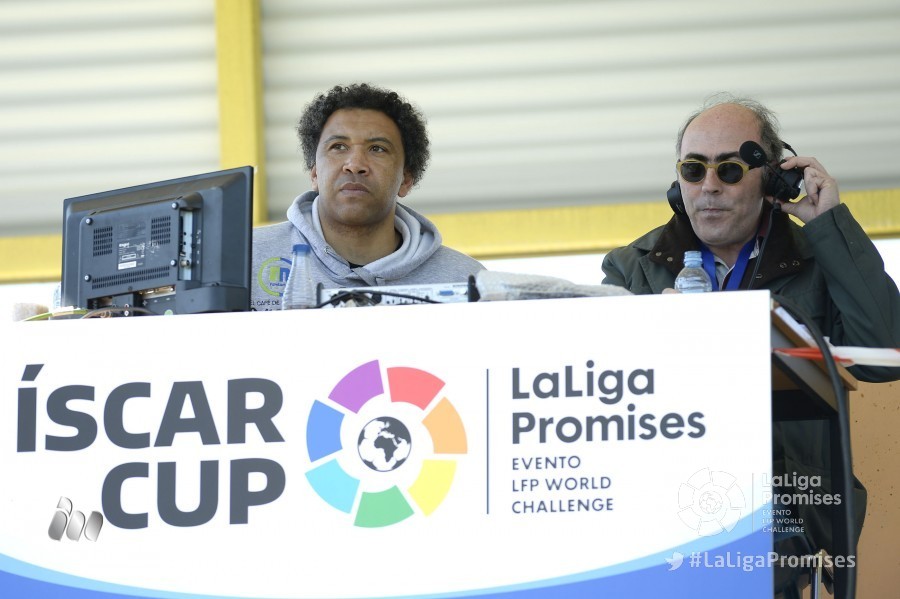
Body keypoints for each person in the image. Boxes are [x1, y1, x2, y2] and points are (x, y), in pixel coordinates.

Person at [601, 93, 900, 596]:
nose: (709, 186)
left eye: (730, 169)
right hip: (662, 510)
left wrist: (828, 225)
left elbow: (886, 354)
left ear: (773, 178)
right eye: (693, 169)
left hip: (783, 513)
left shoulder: (820, 258)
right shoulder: (631, 267)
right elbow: (601, 390)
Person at [252, 83, 483, 310]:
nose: (355, 165)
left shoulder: (467, 280)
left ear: (406, 180)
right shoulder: (246, 258)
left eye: (377, 149)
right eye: (338, 146)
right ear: (314, 174)